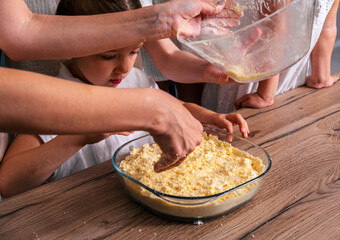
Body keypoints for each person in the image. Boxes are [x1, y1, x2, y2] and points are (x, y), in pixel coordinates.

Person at [0, 0, 250, 199]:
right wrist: (81, 136)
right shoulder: (51, 99)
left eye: (134, 52)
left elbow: (176, 108)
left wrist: (209, 118)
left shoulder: (135, 81)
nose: (124, 67)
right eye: (109, 56)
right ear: (68, 49)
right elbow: (9, 182)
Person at [202, 0, 340, 113]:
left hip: (258, 79)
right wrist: (321, 76)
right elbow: (327, 27)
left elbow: (274, 32)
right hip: (291, 77)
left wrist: (264, 95)